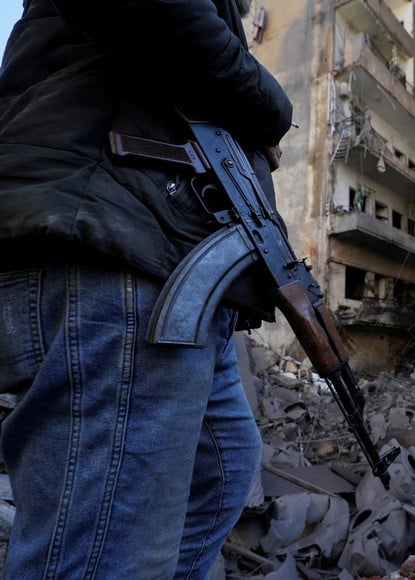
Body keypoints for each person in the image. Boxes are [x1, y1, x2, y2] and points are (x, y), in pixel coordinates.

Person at [0, 1, 294, 578]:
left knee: (223, 469)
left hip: (174, 256)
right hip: (117, 239)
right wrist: (270, 109)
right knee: (112, 554)